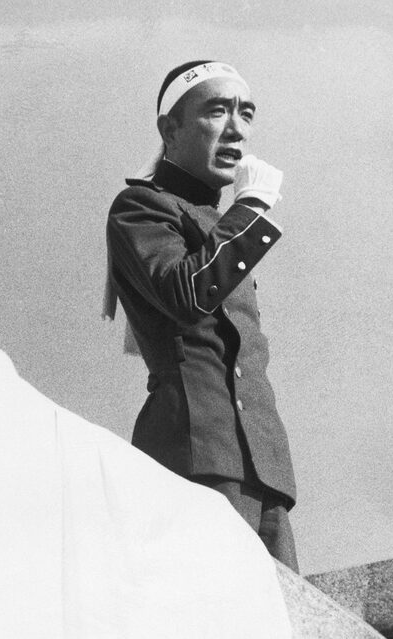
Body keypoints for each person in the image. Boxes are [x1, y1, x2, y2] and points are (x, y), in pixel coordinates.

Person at [104, 60, 299, 572]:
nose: (237, 128)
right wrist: (252, 207)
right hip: (193, 451)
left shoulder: (221, 221)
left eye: (246, 113)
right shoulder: (140, 208)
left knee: (289, 636)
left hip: (263, 465)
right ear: (170, 130)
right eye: (217, 110)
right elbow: (188, 292)